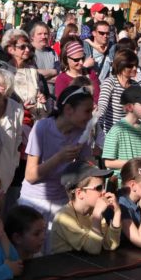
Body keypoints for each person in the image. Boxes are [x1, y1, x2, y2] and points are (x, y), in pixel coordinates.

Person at [18, 86, 94, 235]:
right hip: (34, 202)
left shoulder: (83, 133)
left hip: (62, 202)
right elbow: (30, 176)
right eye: (87, 111)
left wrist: (86, 166)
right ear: (68, 110)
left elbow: (87, 170)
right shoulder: (42, 128)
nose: (91, 117)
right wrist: (59, 158)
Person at [51, 160, 121, 254]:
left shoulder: (92, 212)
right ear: (80, 194)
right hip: (65, 266)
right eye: (99, 188)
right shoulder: (63, 217)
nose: (104, 191)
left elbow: (110, 245)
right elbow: (93, 249)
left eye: (104, 186)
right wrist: (97, 216)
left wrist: (117, 213)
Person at [102, 85, 141, 174]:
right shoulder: (117, 130)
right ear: (130, 107)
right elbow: (108, 162)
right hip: (121, 182)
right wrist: (136, 163)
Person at [3, 29, 50, 120]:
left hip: (36, 121)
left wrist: (41, 98)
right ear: (11, 50)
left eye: (28, 46)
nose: (27, 50)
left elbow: (40, 93)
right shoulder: (4, 73)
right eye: (22, 47)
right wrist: (21, 107)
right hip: (16, 121)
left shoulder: (32, 70)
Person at [54, 37, 99, 102]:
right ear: (67, 59)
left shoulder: (90, 74)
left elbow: (97, 97)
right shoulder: (61, 79)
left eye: (82, 58)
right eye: (76, 60)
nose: (81, 62)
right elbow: (62, 103)